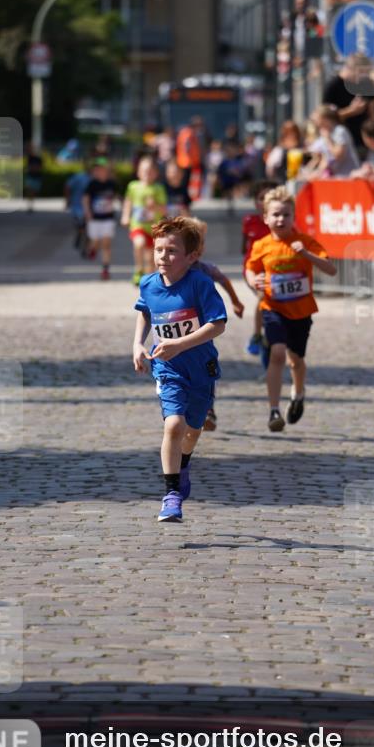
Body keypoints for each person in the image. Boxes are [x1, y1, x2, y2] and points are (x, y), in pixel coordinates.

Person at [132, 217, 227, 522]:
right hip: (167, 366)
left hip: (200, 367)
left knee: (194, 427)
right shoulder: (148, 284)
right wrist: (137, 344)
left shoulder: (200, 284)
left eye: (172, 251)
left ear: (192, 256)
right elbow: (145, 312)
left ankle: (184, 461)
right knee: (174, 424)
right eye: (159, 249)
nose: (163, 256)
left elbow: (218, 325)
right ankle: (171, 495)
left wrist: (181, 343)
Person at [245, 187, 337, 432]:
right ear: (265, 218)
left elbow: (331, 269)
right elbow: (250, 269)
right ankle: (274, 409)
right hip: (273, 308)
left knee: (296, 360)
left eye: (286, 214)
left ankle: (298, 393)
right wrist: (253, 280)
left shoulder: (305, 242)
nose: (280, 219)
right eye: (275, 214)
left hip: (301, 310)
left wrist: (307, 255)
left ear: (293, 216)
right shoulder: (261, 245)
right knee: (276, 353)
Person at [189, 217, 245, 431]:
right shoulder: (172, 271)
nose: (199, 247)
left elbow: (224, 280)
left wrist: (236, 301)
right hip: (180, 331)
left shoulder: (205, 269)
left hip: (204, 330)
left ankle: (208, 407)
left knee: (207, 367)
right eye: (194, 242)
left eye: (201, 242)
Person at [121, 155, 168, 285]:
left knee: (150, 258)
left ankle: (147, 280)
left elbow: (164, 210)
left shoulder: (158, 188)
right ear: (138, 172)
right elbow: (128, 202)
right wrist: (125, 215)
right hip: (138, 225)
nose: (147, 174)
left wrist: (155, 206)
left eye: (150, 171)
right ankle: (138, 269)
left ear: (156, 174)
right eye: (144, 171)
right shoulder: (133, 186)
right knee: (139, 243)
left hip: (154, 228)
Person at [241, 180, 273, 355]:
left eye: (269, 197)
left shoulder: (280, 220)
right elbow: (244, 246)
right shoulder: (249, 221)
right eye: (261, 198)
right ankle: (256, 334)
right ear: (255, 202)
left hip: (276, 269)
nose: (265, 202)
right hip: (253, 269)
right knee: (263, 295)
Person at [323, 54, 374, 152]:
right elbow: (325, 119)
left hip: (364, 141)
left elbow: (372, 110)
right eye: (362, 72)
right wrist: (351, 111)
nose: (364, 76)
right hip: (341, 142)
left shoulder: (366, 83)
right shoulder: (333, 86)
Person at [83, 158, 119, 279]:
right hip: (95, 218)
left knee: (106, 244)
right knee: (95, 242)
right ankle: (92, 249)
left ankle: (105, 269)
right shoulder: (92, 184)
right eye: (97, 169)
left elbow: (117, 196)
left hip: (108, 218)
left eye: (102, 169)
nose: (100, 171)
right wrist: (87, 212)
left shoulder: (112, 183)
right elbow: (86, 198)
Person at [306, 104, 359, 178]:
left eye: (317, 117)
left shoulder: (340, 131)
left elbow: (338, 155)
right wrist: (317, 172)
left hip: (348, 176)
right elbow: (326, 159)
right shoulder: (325, 133)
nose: (314, 120)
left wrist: (328, 140)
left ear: (324, 118)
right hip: (336, 177)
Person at [64, 162, 91, 257]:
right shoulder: (79, 177)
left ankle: (85, 248)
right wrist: (67, 200)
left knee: (88, 229)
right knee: (82, 227)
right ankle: (80, 237)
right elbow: (68, 186)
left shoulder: (98, 179)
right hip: (78, 207)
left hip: (90, 209)